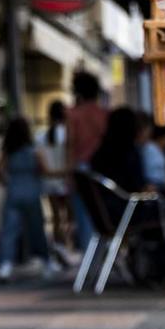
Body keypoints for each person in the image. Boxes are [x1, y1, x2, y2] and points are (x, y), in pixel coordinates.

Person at [0, 116, 53, 282]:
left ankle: (5, 266)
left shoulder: (8, 151)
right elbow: (45, 170)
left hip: (13, 192)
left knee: (8, 231)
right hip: (32, 193)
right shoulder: (35, 150)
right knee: (37, 229)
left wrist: (8, 182)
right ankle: (46, 262)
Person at [66, 72, 110, 249]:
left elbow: (70, 144)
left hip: (81, 168)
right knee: (103, 212)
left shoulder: (73, 115)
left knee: (84, 215)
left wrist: (68, 173)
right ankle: (104, 253)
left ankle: (89, 255)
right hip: (103, 167)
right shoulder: (104, 114)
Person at [38, 99, 74, 271]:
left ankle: (59, 248)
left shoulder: (41, 136)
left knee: (56, 218)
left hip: (48, 182)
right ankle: (66, 247)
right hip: (64, 180)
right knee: (68, 216)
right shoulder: (67, 134)